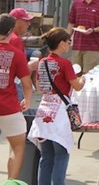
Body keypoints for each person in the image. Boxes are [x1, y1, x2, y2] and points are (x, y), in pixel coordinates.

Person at [29, 27, 85, 185]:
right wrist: (83, 79)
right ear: (61, 43)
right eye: (68, 41)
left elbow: (39, 88)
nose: (69, 45)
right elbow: (77, 86)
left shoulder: (42, 62)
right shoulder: (65, 64)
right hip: (59, 113)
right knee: (61, 155)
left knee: (46, 157)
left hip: (44, 111)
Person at [0, 14, 33, 181]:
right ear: (11, 31)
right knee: (18, 147)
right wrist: (27, 101)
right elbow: (27, 84)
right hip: (9, 107)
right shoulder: (16, 54)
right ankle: (11, 182)